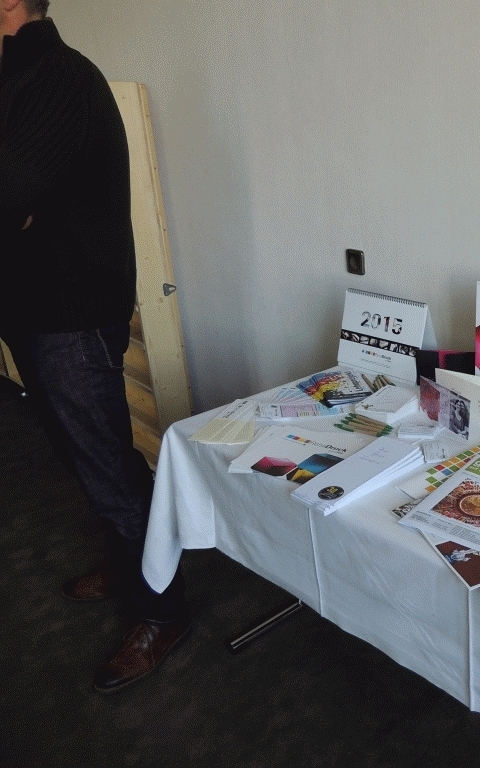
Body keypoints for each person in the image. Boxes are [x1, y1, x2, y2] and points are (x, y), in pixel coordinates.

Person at [0, 0, 190, 692]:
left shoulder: (57, 77)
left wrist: (21, 210)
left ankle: (163, 610)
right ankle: (130, 561)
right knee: (83, 453)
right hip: (34, 309)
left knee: (106, 464)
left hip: (70, 315)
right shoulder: (17, 80)